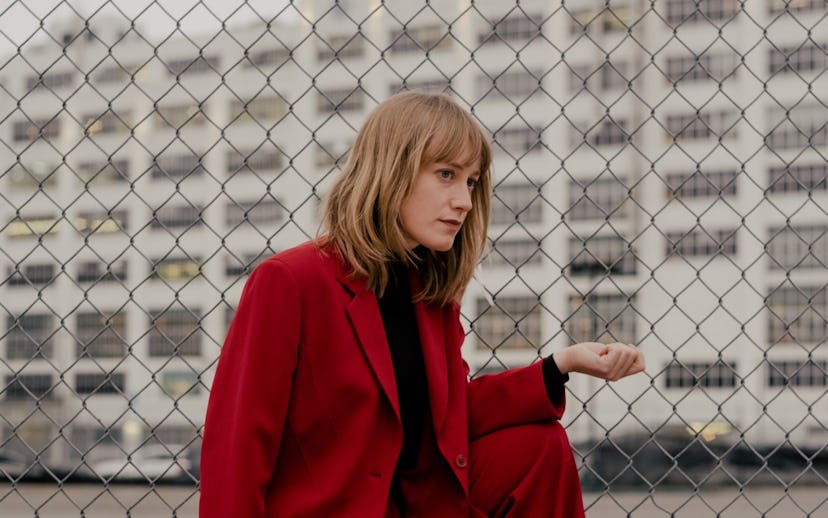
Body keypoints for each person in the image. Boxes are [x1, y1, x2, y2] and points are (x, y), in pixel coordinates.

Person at [199, 92, 645, 517]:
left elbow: (445, 417)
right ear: (390, 170)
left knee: (540, 444)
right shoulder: (290, 281)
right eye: (446, 174)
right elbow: (238, 447)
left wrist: (559, 365)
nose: (465, 202)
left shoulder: (430, 294)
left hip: (415, 503)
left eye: (471, 182)